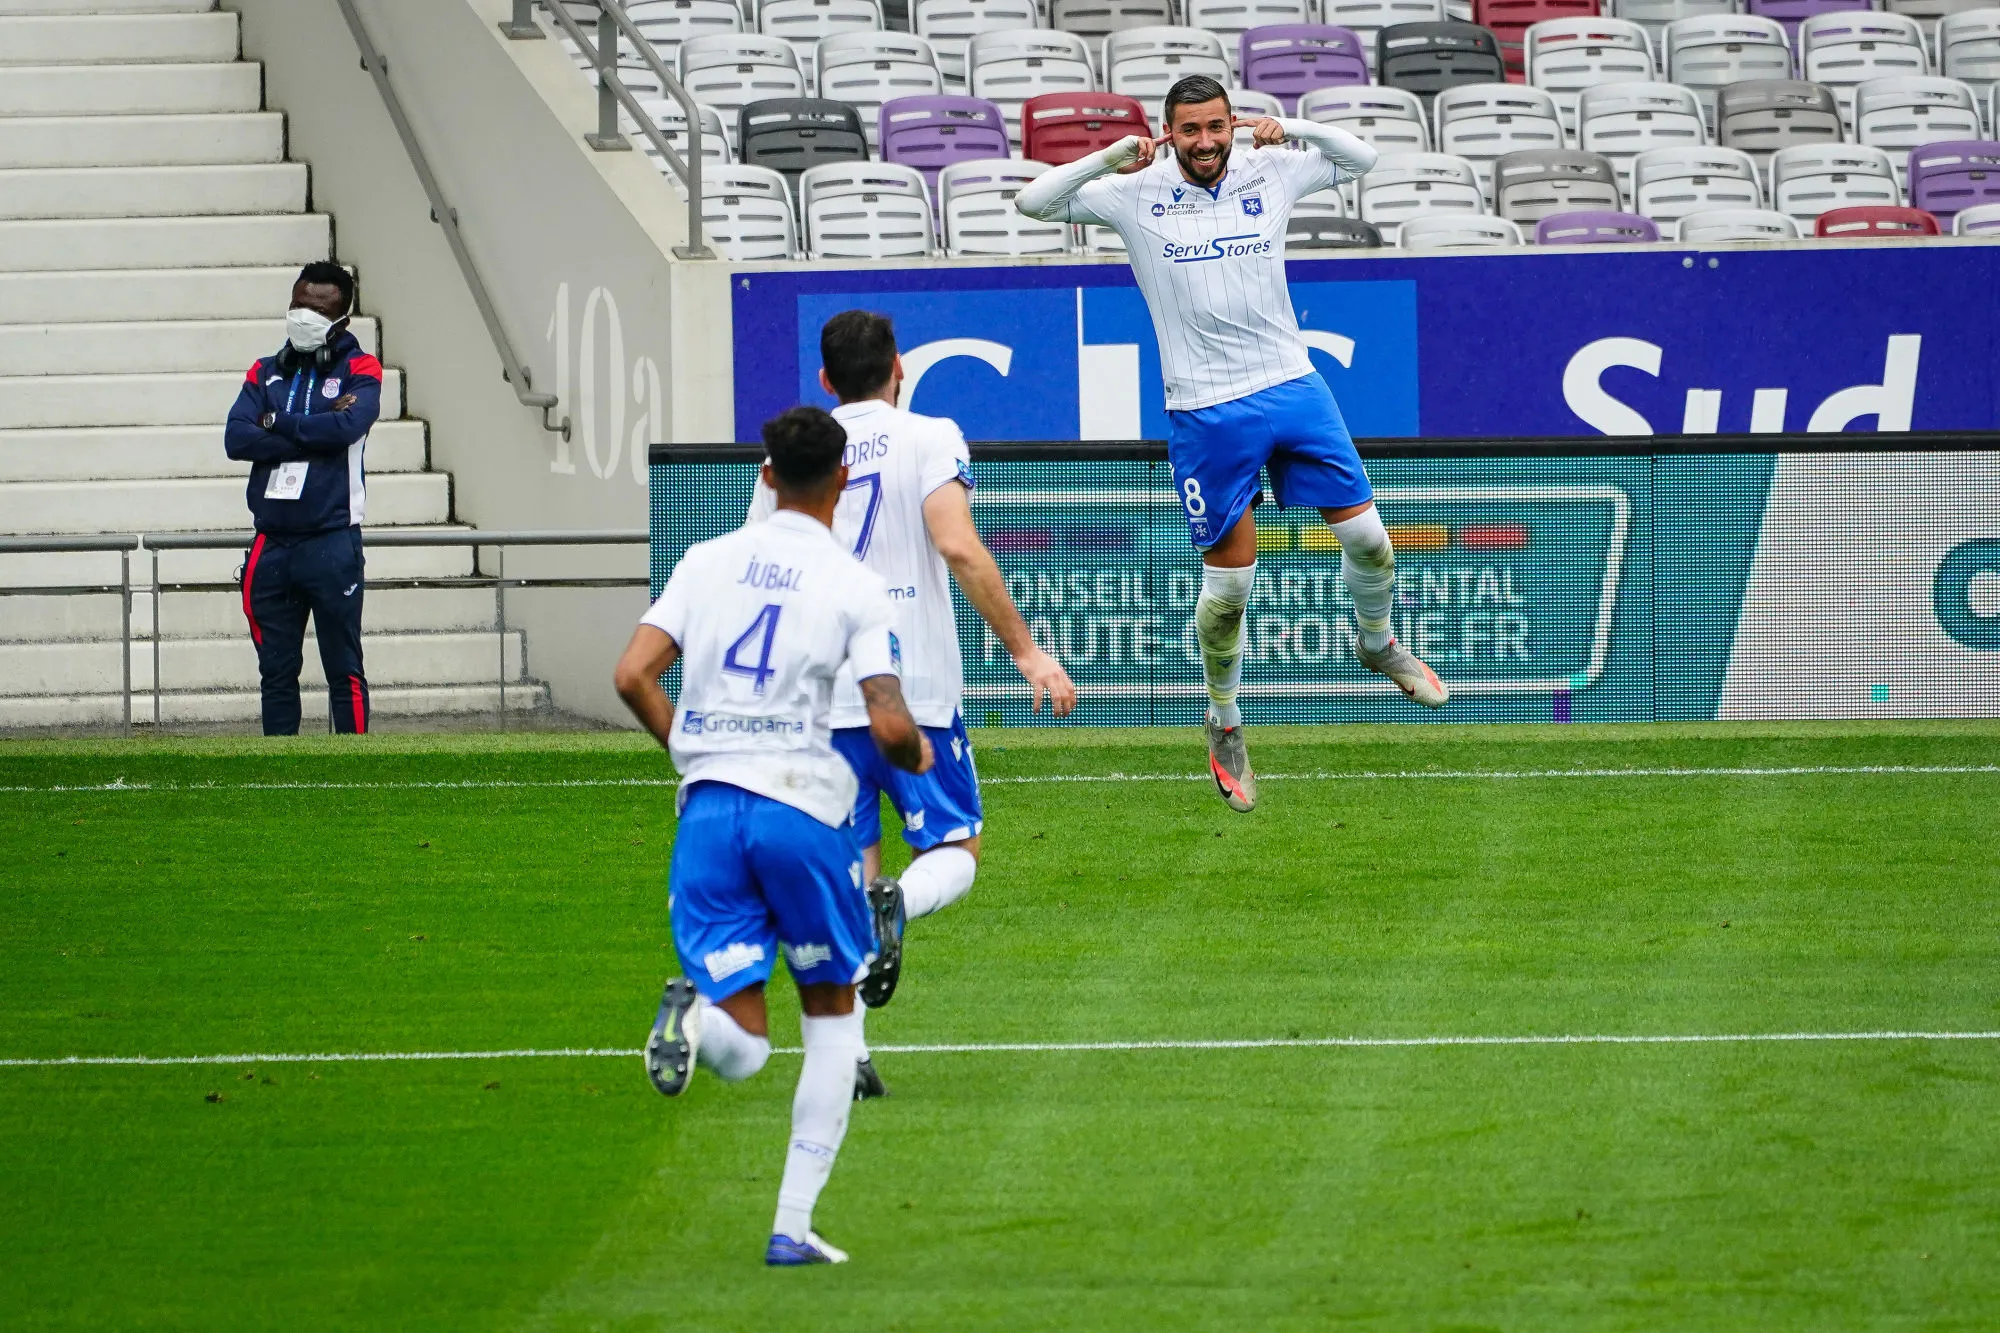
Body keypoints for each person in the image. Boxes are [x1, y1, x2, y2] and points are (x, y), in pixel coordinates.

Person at [1016, 75, 1449, 812]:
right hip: (1207, 410)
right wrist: (1109, 155)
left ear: (1232, 124)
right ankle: (1224, 718)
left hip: (1293, 386)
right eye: (1192, 130)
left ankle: (1376, 643)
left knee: (1375, 544)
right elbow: (1033, 202)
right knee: (1230, 594)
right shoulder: (1135, 190)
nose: (1208, 142)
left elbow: (1363, 157)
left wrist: (1294, 127)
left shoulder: (1267, 168)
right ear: (1170, 132)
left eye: (1218, 126)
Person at [612, 405, 933, 1267]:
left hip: (710, 808)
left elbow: (631, 672)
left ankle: (694, 1018)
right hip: (800, 808)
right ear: (842, 481)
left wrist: (687, 744)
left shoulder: (706, 560)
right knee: (831, 1016)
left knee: (745, 1044)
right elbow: (887, 718)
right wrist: (916, 750)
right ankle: (791, 1224)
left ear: (763, 473)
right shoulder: (853, 582)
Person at [747, 310, 1078, 1099]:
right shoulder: (930, 434)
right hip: (913, 687)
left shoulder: (790, 451)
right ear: (900, 367)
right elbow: (957, 544)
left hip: (822, 696)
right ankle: (906, 902)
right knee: (956, 851)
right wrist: (1027, 653)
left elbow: (764, 569)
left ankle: (849, 1054)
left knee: (850, 868)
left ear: (825, 379)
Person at [223, 260, 382, 736]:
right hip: (272, 542)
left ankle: (352, 779)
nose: (304, 316)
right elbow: (237, 439)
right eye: (298, 305)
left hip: (331, 541)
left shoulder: (361, 368)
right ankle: (280, 774)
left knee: (344, 670)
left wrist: (275, 423)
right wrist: (312, 430)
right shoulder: (265, 370)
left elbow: (349, 426)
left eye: (317, 309)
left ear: (341, 321)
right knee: (275, 674)